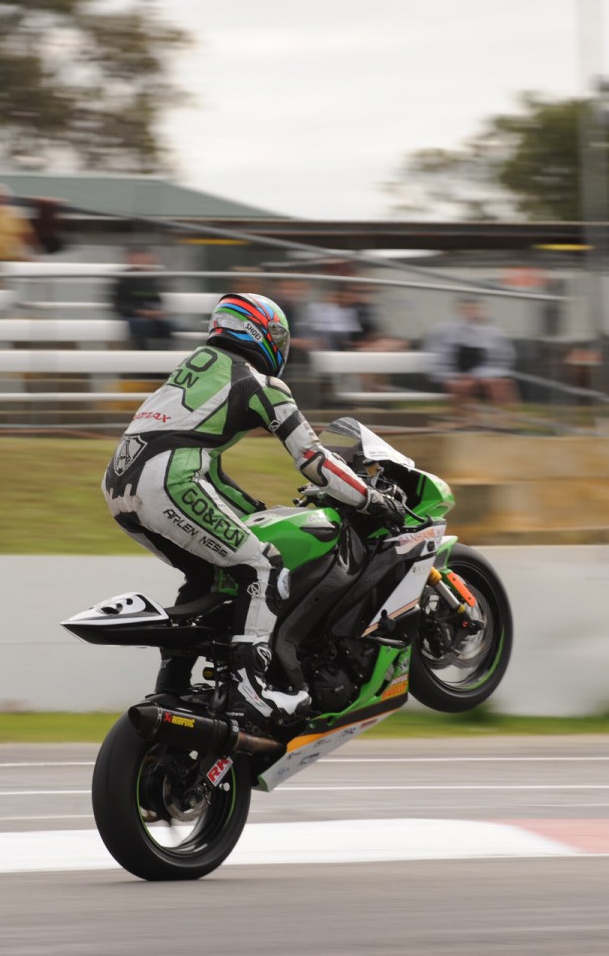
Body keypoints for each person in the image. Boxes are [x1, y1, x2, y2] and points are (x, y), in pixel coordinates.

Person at [102, 292, 410, 725]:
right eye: (278, 336)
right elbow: (314, 460)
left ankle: (170, 685)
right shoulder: (258, 383)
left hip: (119, 483)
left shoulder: (195, 369)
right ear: (259, 332)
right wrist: (371, 499)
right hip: (166, 481)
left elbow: (202, 463)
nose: (280, 346)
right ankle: (252, 689)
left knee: (208, 573)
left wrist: (256, 510)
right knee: (263, 566)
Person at [427, 296, 519, 423]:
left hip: (485, 375)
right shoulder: (443, 332)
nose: (471, 312)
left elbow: (504, 359)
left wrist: (481, 375)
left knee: (500, 384)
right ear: (458, 311)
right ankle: (466, 419)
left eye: (475, 309)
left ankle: (503, 421)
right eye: (466, 309)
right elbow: (437, 358)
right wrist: (453, 375)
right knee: (462, 385)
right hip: (453, 375)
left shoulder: (495, 334)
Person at [109, 248, 174, 350]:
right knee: (142, 326)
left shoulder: (150, 279)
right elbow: (118, 304)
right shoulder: (123, 279)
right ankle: (144, 353)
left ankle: (165, 354)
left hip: (149, 316)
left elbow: (157, 300)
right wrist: (141, 312)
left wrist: (156, 311)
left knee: (168, 325)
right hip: (131, 315)